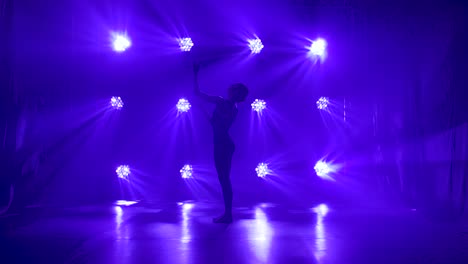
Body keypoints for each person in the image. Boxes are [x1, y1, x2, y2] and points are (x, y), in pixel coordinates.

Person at [193, 63, 248, 223]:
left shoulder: (225, 104)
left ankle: (228, 214)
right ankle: (227, 214)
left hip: (223, 144)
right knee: (224, 179)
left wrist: (195, 73)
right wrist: (203, 111)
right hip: (224, 143)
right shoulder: (231, 106)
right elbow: (216, 124)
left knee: (224, 179)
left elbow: (197, 94)